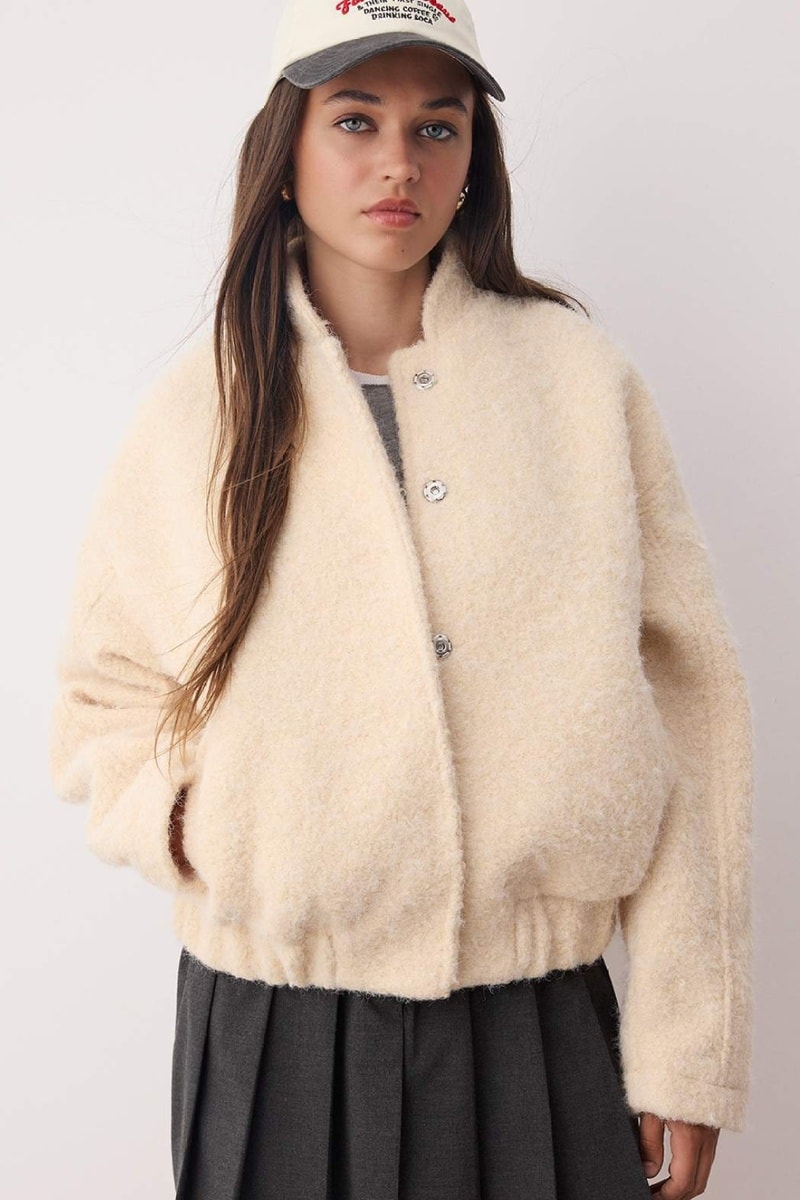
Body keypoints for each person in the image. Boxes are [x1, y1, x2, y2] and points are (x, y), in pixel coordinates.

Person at [48, 0, 755, 1197]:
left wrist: (688, 1049)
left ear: (473, 157)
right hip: (273, 1026)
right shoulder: (200, 411)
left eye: (438, 126)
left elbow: (693, 713)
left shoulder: (580, 386)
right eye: (355, 120)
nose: (398, 163)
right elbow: (99, 701)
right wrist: (208, 828)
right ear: (285, 148)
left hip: (540, 1024)